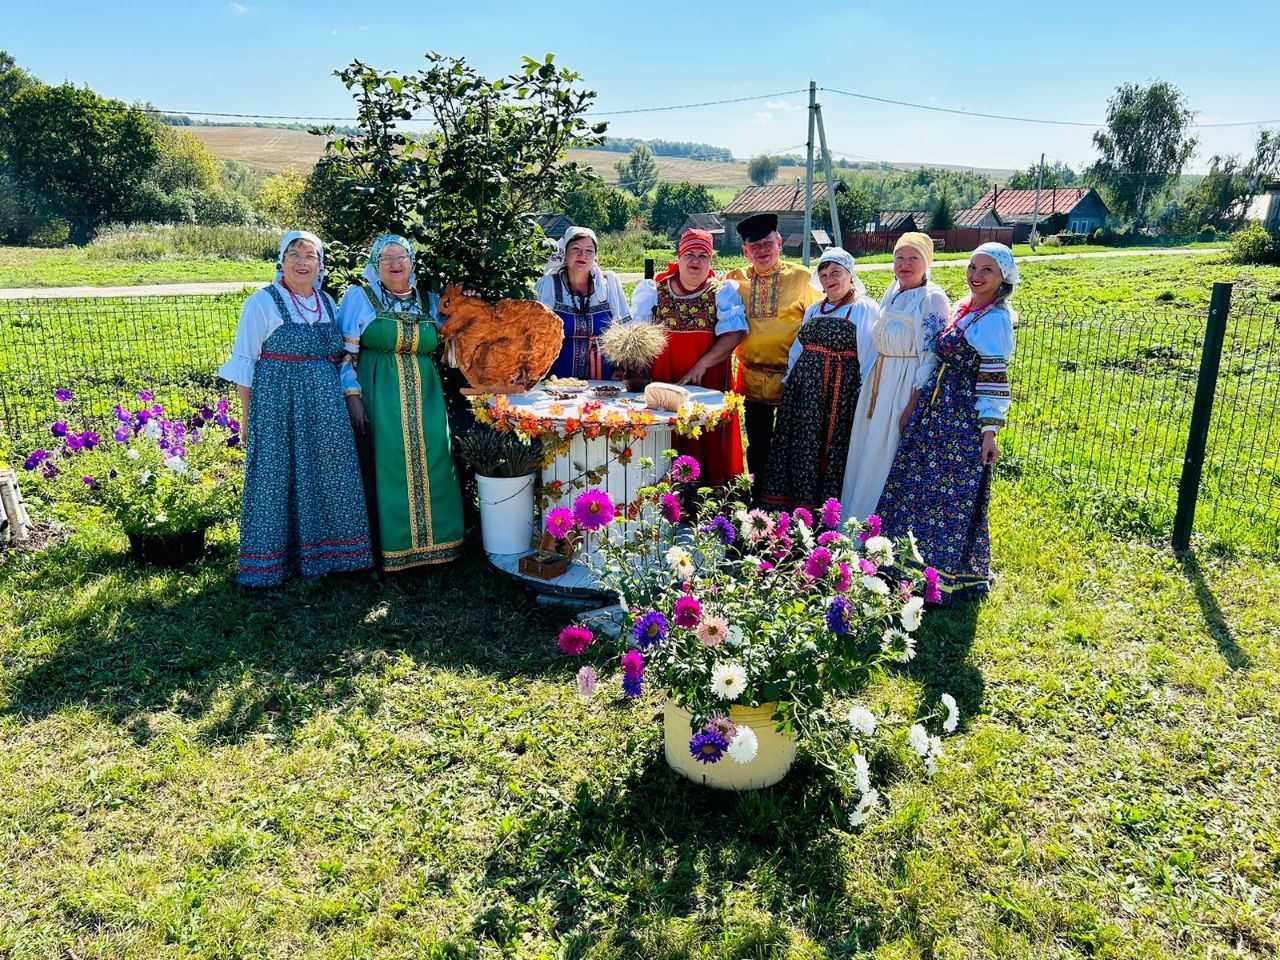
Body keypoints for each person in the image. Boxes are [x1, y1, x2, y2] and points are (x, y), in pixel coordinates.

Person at [218, 230, 372, 587]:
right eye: (294, 254)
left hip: (325, 405)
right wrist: (247, 418)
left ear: (320, 264)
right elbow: (245, 365)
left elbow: (341, 357)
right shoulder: (262, 303)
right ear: (281, 261)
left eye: (310, 255)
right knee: (277, 477)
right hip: (278, 405)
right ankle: (271, 565)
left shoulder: (328, 303)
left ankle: (335, 556)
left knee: (330, 473)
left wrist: (350, 397)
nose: (302, 262)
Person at [876, 241, 1016, 604]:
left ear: (1003, 278)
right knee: (917, 486)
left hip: (962, 421)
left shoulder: (996, 321)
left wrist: (989, 433)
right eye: (973, 267)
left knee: (947, 499)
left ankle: (944, 575)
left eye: (987, 270)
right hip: (935, 414)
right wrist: (917, 404)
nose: (977, 276)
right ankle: (905, 565)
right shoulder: (965, 311)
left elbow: (993, 381)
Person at [337, 235, 464, 571]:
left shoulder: (429, 300)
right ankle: (395, 550)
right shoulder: (360, 299)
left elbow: (453, 353)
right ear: (375, 266)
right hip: (380, 395)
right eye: (386, 258)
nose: (395, 264)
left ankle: (440, 547)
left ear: (412, 262)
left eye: (401, 257)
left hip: (428, 400)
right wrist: (352, 397)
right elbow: (346, 356)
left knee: (436, 461)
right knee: (389, 465)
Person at [840, 232, 950, 523]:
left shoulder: (932, 298)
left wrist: (912, 403)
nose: (905, 264)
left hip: (903, 387)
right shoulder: (893, 291)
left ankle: (876, 530)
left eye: (914, 258)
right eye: (899, 257)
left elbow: (931, 356)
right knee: (866, 452)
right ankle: (852, 522)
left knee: (884, 457)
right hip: (879, 383)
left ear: (927, 262)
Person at [761, 247, 877, 512]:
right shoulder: (814, 309)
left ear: (850, 275)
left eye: (835, 272)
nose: (829, 279)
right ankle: (790, 512)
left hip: (838, 395)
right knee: (798, 447)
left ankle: (824, 514)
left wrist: (862, 397)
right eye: (823, 275)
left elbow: (870, 357)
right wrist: (789, 382)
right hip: (803, 395)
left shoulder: (863, 309)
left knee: (829, 449)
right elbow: (797, 349)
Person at [629, 228, 748, 486]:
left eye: (703, 256)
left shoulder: (721, 292)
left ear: (710, 261)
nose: (696, 261)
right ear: (679, 257)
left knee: (703, 433)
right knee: (664, 433)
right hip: (663, 378)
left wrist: (701, 365)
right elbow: (638, 334)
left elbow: (734, 335)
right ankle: (662, 495)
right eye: (690, 254)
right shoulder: (654, 291)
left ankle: (704, 498)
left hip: (707, 379)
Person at [721, 213, 822, 499]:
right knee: (757, 442)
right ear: (745, 251)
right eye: (755, 247)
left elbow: (820, 319)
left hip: (792, 380)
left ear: (779, 242)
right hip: (751, 379)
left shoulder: (802, 277)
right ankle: (760, 497)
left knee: (792, 442)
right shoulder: (733, 280)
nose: (762, 251)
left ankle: (791, 498)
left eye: (767, 243)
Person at [534, 225, 631, 380]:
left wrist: (624, 368)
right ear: (565, 253)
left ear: (595, 256)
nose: (582, 255)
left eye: (589, 250)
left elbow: (624, 331)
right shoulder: (549, 285)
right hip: (558, 379)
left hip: (603, 380)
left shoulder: (608, 283)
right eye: (576, 249)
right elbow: (535, 335)